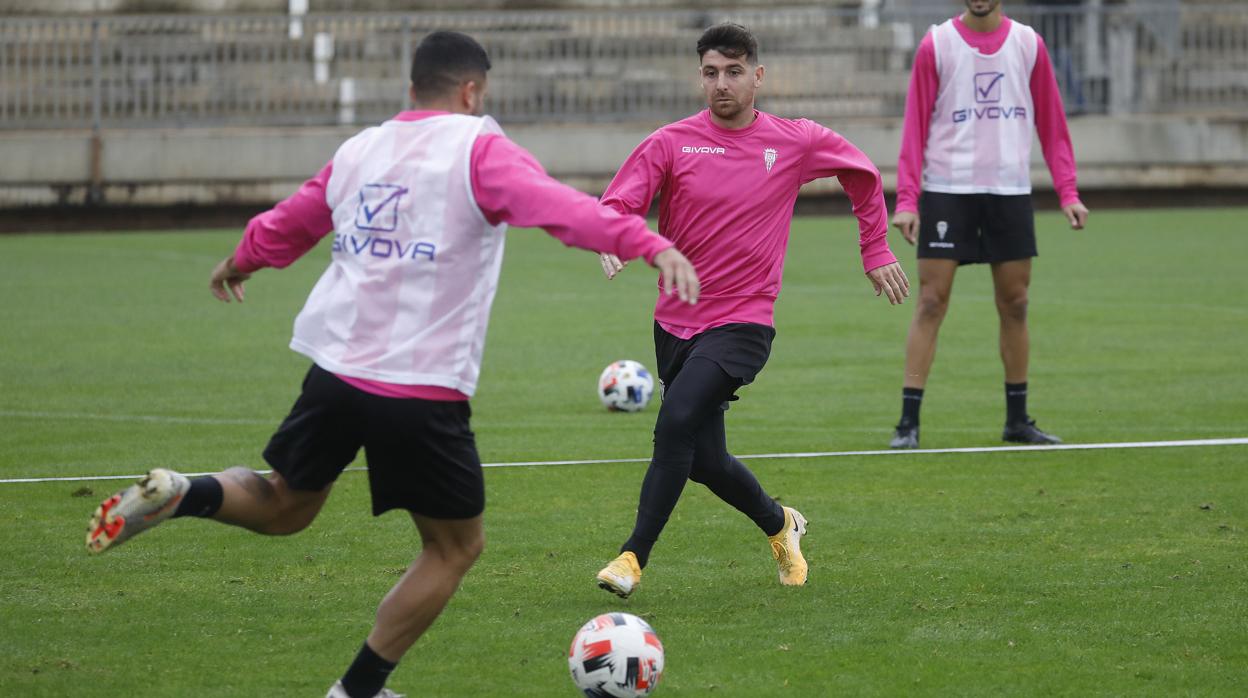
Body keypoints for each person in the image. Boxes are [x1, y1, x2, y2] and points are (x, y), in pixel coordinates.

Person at [82, 31, 698, 698]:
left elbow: (292, 220)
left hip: (335, 370)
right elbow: (560, 210)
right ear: (471, 92)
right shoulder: (480, 148)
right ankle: (360, 689)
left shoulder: (361, 149)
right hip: (419, 388)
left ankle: (183, 491)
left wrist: (243, 258)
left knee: (285, 505)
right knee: (454, 548)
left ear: (411, 89)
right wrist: (647, 241)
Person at [593, 22, 909, 599]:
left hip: (744, 324)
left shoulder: (795, 140)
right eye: (711, 72)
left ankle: (632, 557)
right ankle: (781, 524)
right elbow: (619, 201)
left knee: (675, 422)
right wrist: (615, 237)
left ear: (757, 77)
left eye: (734, 72)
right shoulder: (671, 141)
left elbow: (862, 174)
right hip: (675, 323)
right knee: (705, 460)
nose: (722, 84)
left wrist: (875, 248)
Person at [888, 0, 1090, 450]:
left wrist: (1068, 191)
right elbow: (915, 127)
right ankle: (907, 424)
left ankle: (1017, 421)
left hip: (1009, 190)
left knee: (1016, 303)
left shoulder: (1028, 44)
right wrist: (907, 200)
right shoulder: (935, 44)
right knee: (930, 302)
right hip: (947, 189)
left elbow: (1053, 125)